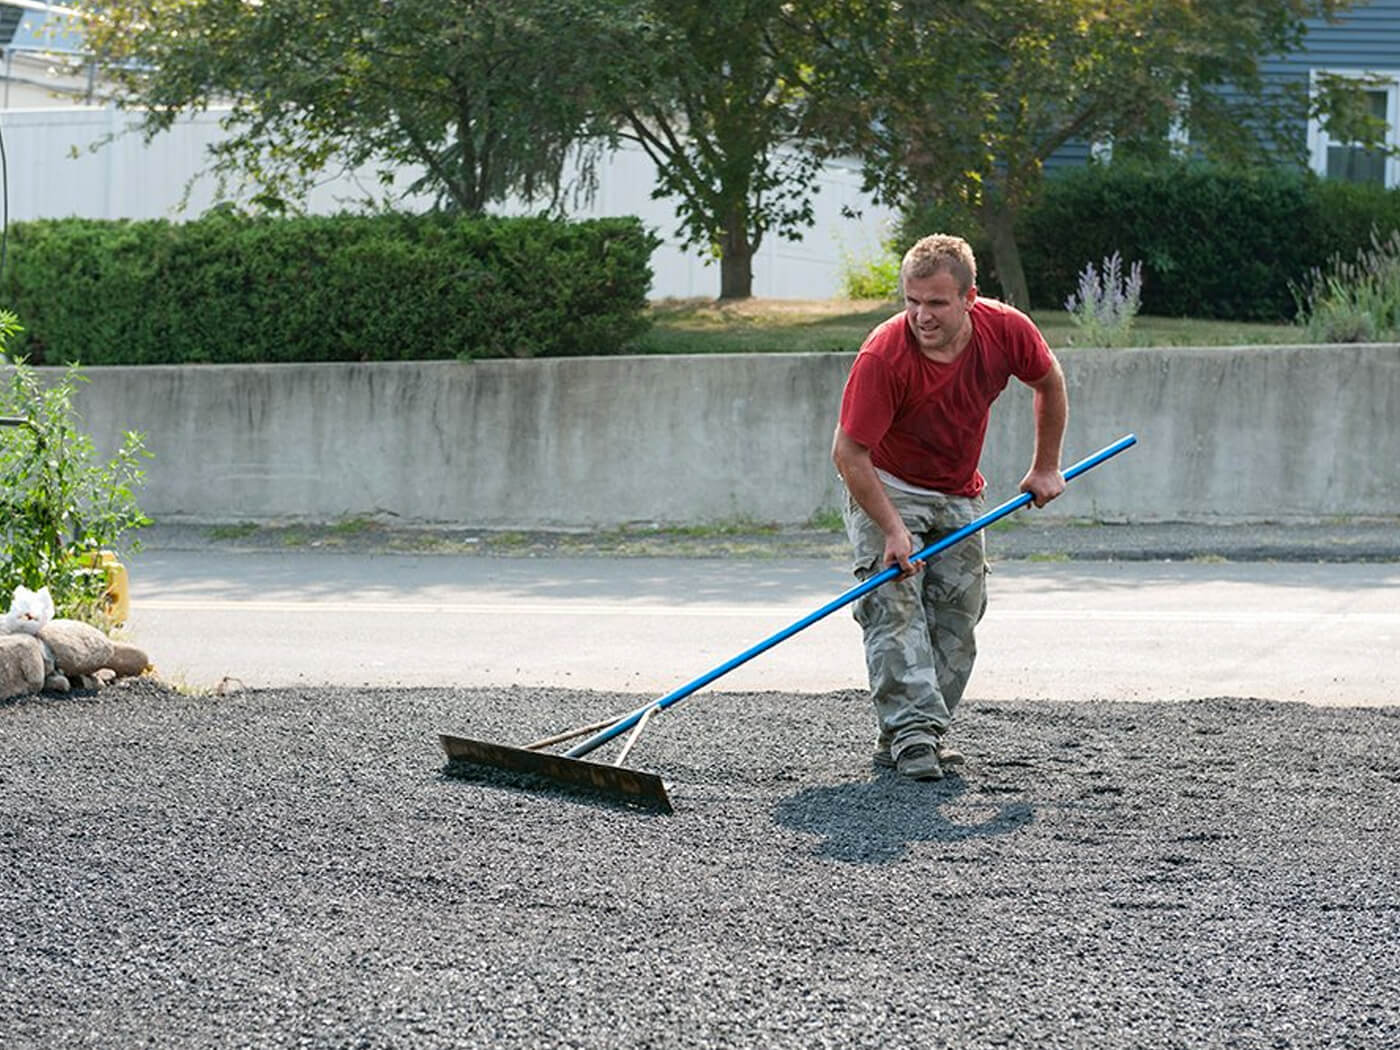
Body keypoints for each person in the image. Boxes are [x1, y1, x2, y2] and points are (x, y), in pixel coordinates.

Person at [831, 233, 1068, 781]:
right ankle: (914, 736)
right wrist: (892, 530)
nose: (921, 315)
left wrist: (1046, 465)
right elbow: (848, 452)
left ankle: (912, 730)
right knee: (893, 605)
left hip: (959, 489)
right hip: (886, 484)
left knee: (958, 617)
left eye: (936, 303)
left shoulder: (1006, 330)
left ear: (969, 298)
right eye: (912, 301)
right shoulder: (884, 354)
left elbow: (1048, 382)